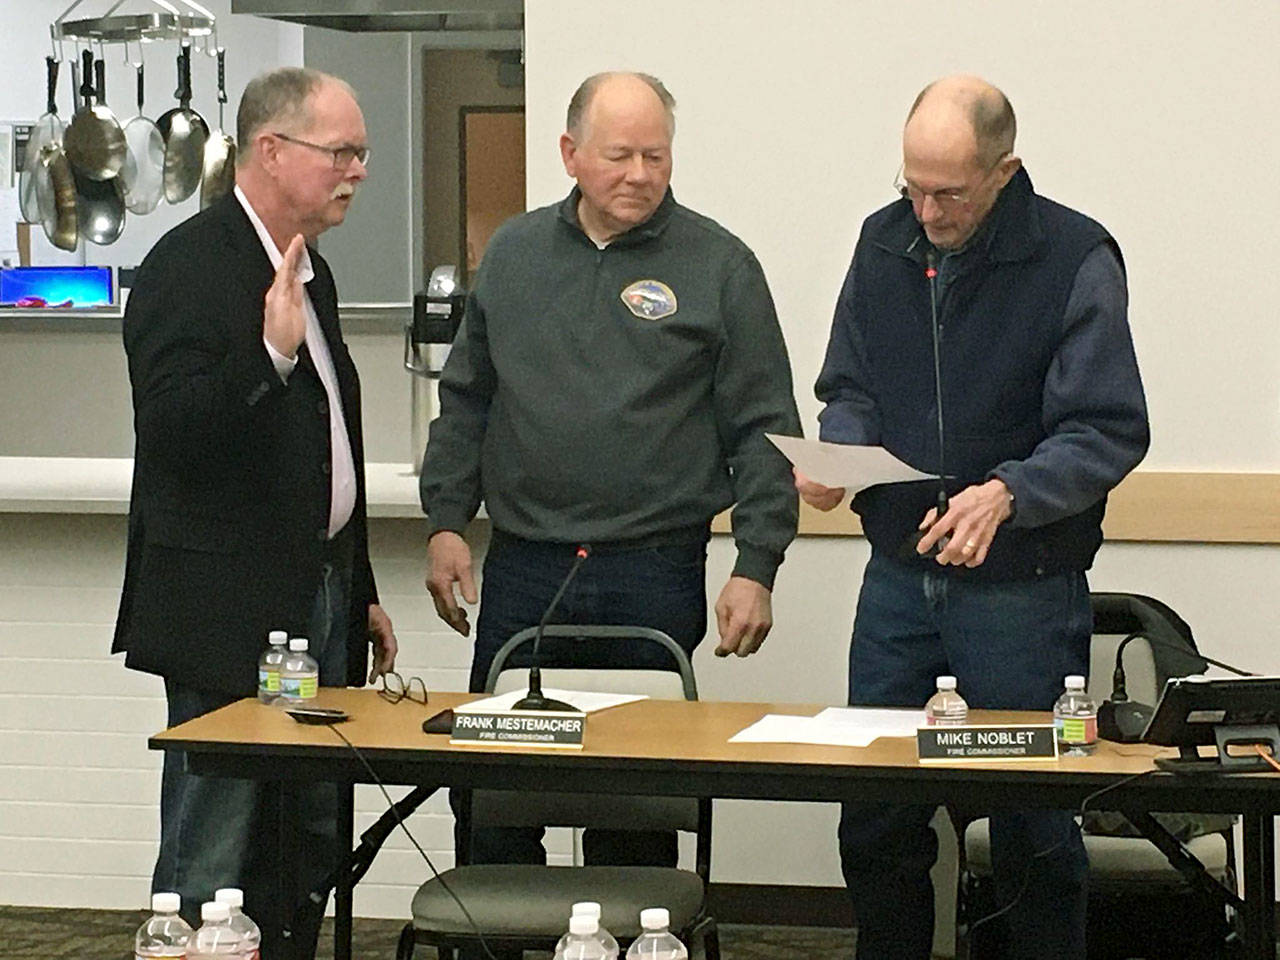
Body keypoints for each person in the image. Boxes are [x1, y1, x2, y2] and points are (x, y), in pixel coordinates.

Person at [798, 75, 1149, 959]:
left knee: (1033, 830)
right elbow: (849, 385)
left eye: (948, 191)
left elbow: (1106, 428)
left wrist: (1010, 493)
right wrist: (840, 452)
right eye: (910, 186)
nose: (925, 209)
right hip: (897, 585)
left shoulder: (1073, 257)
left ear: (1004, 172)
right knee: (875, 820)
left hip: (1021, 592)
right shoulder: (882, 245)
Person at [421, 71, 801, 870]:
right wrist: (446, 523)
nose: (639, 175)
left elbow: (765, 428)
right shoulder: (515, 255)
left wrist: (756, 563)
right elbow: (466, 401)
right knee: (496, 792)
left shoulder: (720, 264)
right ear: (569, 153)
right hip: (525, 565)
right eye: (619, 155)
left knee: (633, 799)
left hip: (654, 567)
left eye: (656, 156)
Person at [112, 67, 397, 957]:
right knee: (219, 840)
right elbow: (171, 437)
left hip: (316, 600)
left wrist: (363, 590)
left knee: (307, 834)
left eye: (362, 154)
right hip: (225, 612)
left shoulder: (313, 273)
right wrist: (267, 360)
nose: (356, 170)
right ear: (271, 151)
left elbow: (326, 449)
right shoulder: (188, 268)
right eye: (340, 152)